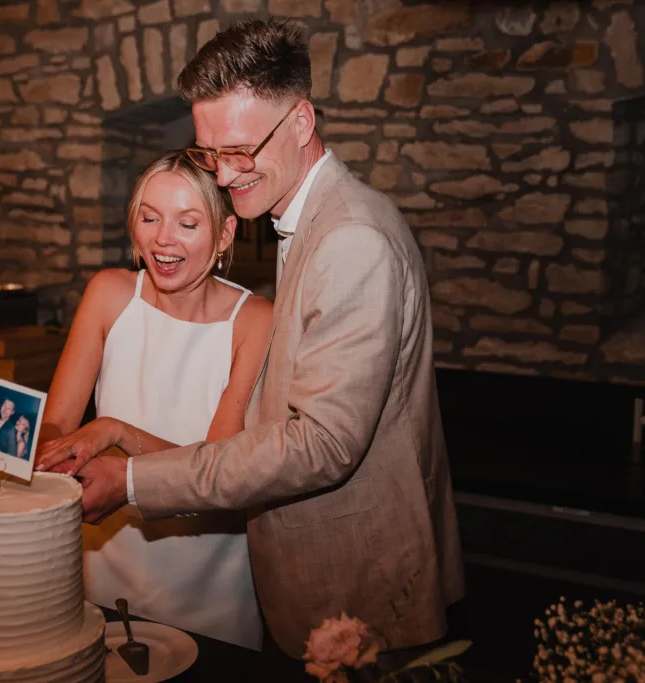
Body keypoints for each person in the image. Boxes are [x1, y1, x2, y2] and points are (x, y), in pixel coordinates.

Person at [39, 19, 465, 666]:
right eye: (211, 153)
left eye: (241, 150)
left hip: (359, 586)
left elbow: (322, 443)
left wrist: (128, 475)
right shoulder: (309, 222)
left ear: (300, 122)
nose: (227, 174)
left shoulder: (351, 238)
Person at [35, 150, 273, 650]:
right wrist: (41, 450)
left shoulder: (254, 320)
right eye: (150, 217)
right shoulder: (108, 293)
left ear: (225, 234)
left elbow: (220, 472)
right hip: (100, 575)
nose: (163, 239)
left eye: (188, 223)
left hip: (211, 592)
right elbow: (56, 426)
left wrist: (115, 431)